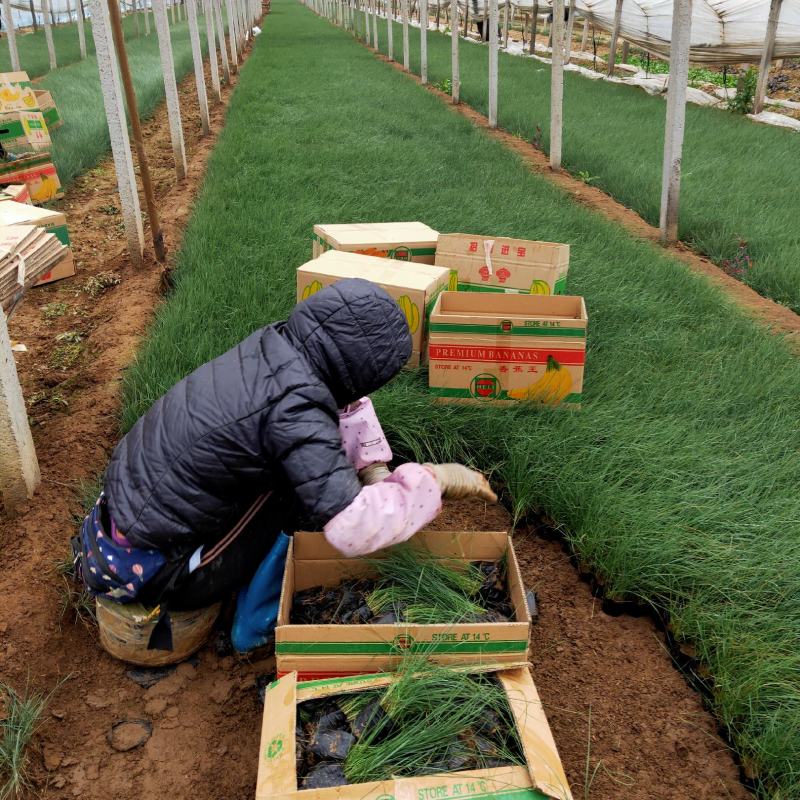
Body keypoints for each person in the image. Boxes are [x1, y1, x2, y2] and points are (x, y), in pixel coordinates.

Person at [75, 279, 496, 653]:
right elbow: (353, 525)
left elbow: (344, 405)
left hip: (125, 513)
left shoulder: (275, 348)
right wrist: (435, 480)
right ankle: (255, 625)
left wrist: (373, 467)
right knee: (300, 504)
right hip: (160, 570)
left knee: (302, 475)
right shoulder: (295, 410)